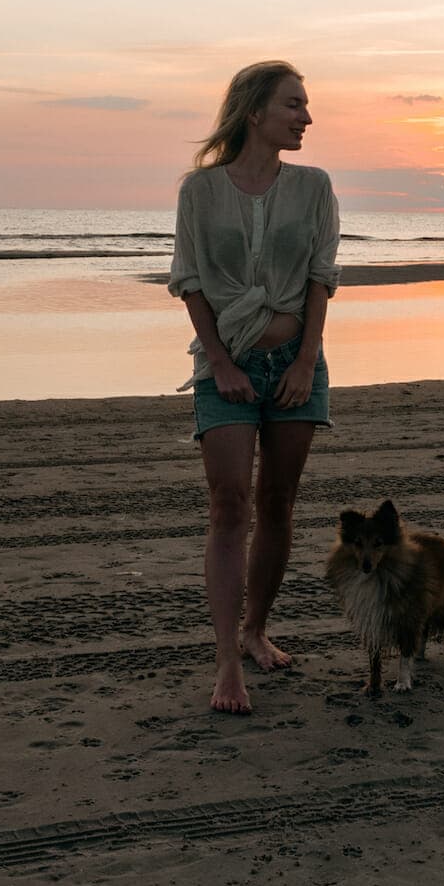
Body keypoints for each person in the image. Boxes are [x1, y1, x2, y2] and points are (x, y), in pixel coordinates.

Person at [167, 60, 339, 714]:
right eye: (293, 104)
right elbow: (190, 281)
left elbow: (321, 277)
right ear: (253, 112)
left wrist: (304, 361)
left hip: (296, 363)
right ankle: (225, 667)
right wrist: (221, 362)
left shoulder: (314, 186)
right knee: (228, 505)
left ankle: (256, 630)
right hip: (226, 366)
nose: (305, 117)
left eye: (305, 105)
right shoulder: (199, 191)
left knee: (278, 502)